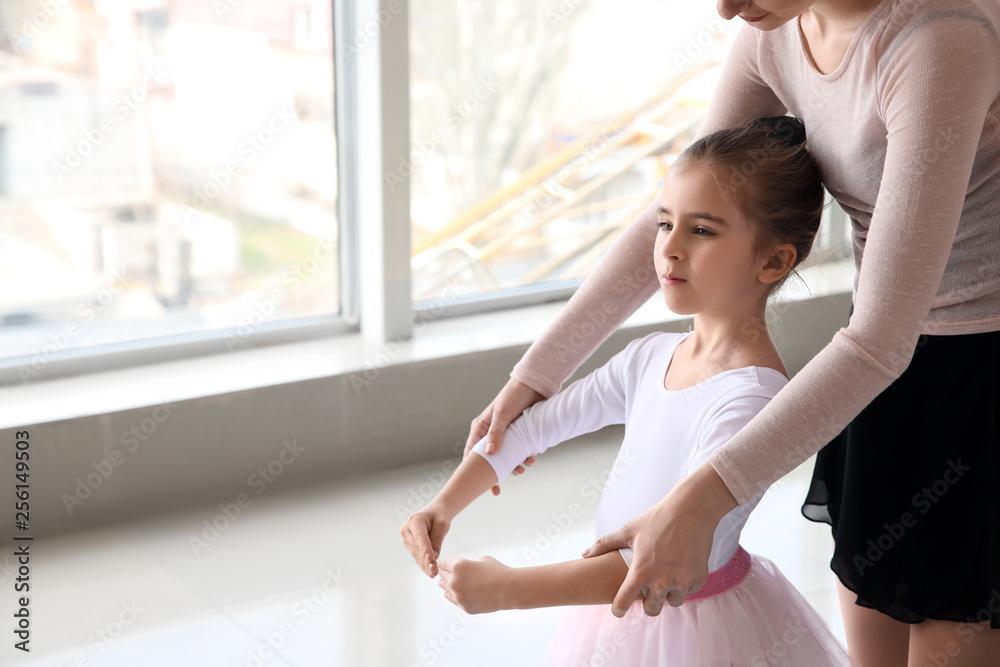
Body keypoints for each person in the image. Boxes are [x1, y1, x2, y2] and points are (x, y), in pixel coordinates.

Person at [467, 0, 1000, 664]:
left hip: (976, 380)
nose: (724, 9)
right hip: (878, 379)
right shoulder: (772, 28)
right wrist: (536, 375)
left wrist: (703, 497)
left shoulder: (942, 38)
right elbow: (686, 207)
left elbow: (880, 338)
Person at [403, 117, 853, 665]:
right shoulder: (650, 357)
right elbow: (532, 428)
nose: (671, 249)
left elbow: (663, 560)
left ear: (775, 260)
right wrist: (443, 505)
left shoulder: (752, 401)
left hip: (696, 630)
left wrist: (510, 589)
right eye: (665, 224)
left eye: (702, 231)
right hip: (611, 615)